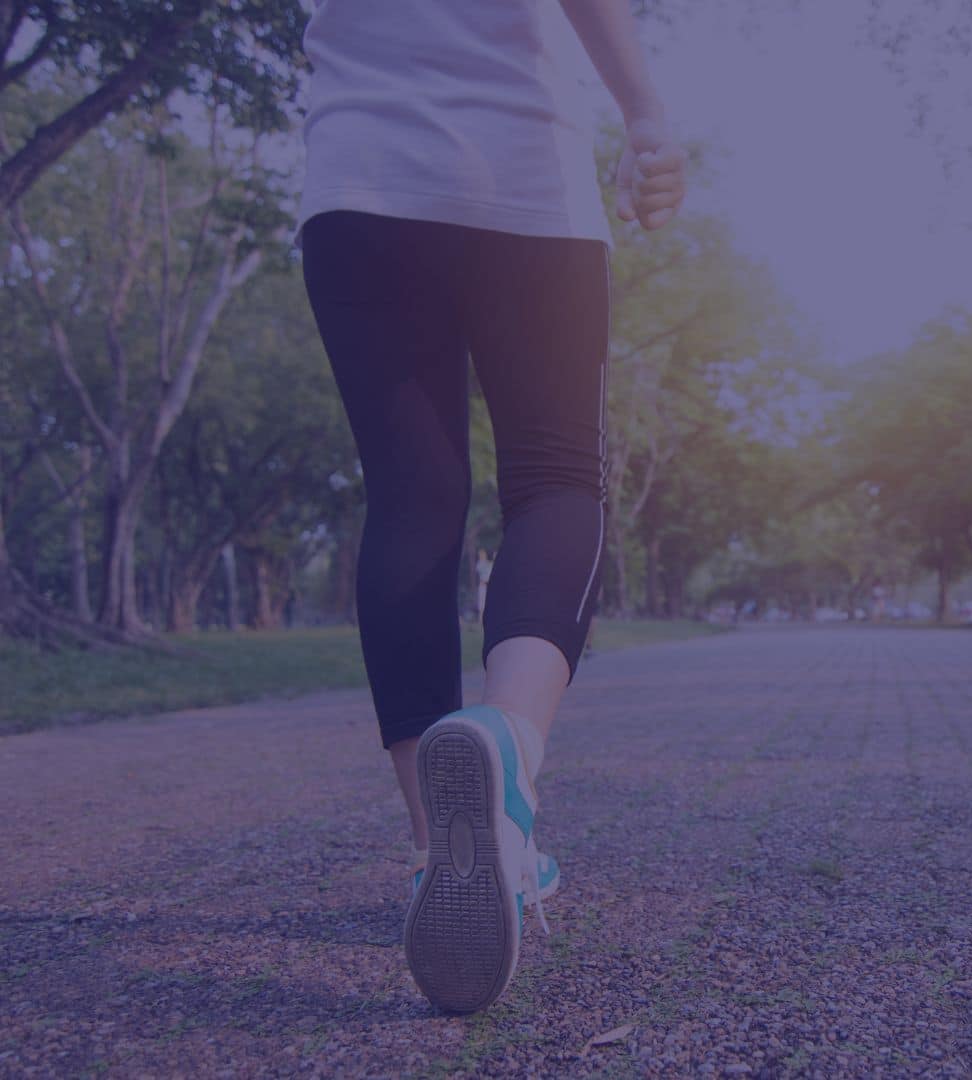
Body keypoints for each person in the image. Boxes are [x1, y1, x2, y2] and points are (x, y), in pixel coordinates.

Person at [296, 0, 686, 1014]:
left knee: (412, 497)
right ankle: (510, 746)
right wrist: (643, 107)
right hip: (521, 165)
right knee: (556, 477)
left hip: (358, 168)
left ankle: (442, 850)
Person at [476, 547, 494, 620]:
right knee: (481, 603)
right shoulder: (481, 564)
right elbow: (479, 570)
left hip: (490, 586)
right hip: (483, 585)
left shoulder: (490, 564)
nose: (482, 555)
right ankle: (480, 619)